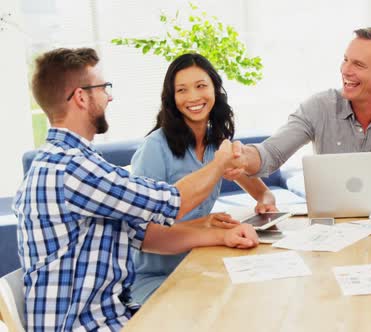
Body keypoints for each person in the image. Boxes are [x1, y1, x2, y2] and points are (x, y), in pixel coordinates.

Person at [12, 48, 258, 331]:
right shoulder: (70, 169)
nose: (110, 96)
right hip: (87, 325)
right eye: (104, 88)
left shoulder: (74, 163)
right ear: (81, 97)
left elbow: (147, 237)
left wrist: (222, 236)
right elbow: (171, 202)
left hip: (110, 314)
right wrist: (219, 164)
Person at [239, 27, 371, 202]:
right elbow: (270, 153)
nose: (345, 70)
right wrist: (242, 156)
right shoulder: (319, 107)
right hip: (330, 228)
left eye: (358, 64)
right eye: (346, 59)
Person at [130, 53, 277, 304]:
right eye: (182, 90)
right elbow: (141, 231)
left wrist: (266, 203)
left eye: (201, 86)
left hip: (200, 261)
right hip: (156, 274)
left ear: (215, 90)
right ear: (172, 98)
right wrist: (204, 224)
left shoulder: (216, 145)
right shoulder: (155, 147)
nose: (194, 97)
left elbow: (262, 191)